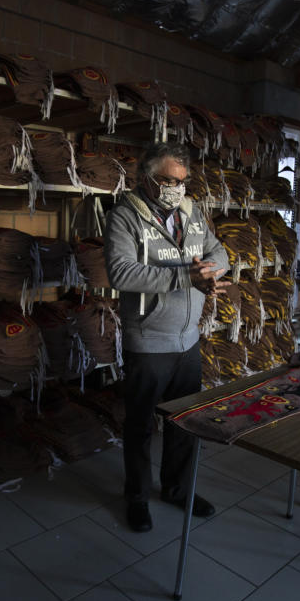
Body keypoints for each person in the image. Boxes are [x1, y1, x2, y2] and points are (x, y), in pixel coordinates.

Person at [105, 142, 230, 532]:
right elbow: (121, 273)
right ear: (145, 177)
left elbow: (219, 252)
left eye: (182, 181)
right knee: (141, 425)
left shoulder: (192, 213)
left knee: (185, 422)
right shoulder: (124, 217)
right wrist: (185, 276)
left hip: (188, 340)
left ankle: (177, 489)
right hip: (149, 341)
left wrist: (209, 272)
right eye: (168, 180)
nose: (176, 187)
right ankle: (138, 496)